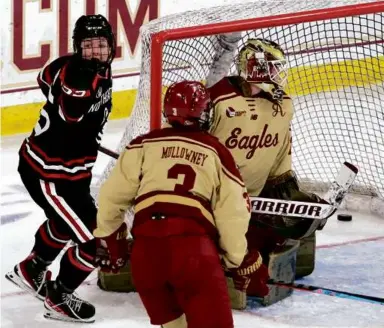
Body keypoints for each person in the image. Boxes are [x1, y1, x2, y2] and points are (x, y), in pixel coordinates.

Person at [93, 80, 269, 328]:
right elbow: (234, 213)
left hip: (146, 255)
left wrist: (109, 236)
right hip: (193, 253)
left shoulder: (142, 144)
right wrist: (235, 260)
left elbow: (110, 196)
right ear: (204, 113)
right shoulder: (216, 151)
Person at [5, 14, 116, 323]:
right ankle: (59, 296)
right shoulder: (81, 78)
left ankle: (32, 270)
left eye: (100, 45)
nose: (95, 52)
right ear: (78, 49)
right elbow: (71, 110)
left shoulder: (73, 66)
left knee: (65, 223)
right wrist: (68, 102)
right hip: (50, 176)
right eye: (88, 46)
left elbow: (44, 77)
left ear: (112, 47)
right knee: (96, 243)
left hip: (70, 172)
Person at [205, 35, 331, 306]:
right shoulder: (217, 100)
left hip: (251, 200)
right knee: (226, 251)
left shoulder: (282, 104)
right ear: (253, 67)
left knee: (285, 228)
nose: (275, 73)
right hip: (211, 200)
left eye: (277, 67)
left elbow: (280, 156)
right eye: (270, 67)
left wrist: (291, 196)